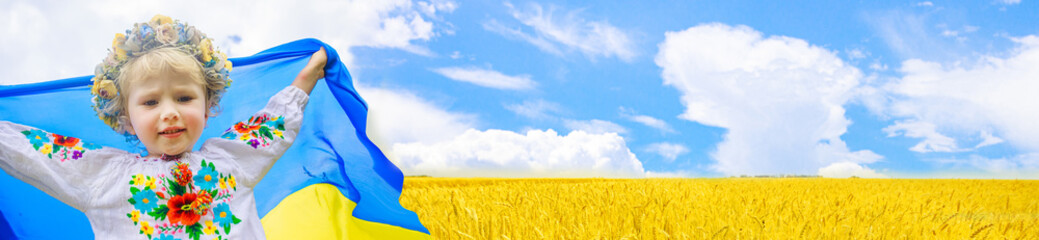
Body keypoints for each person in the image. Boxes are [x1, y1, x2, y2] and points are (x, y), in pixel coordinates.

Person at [0, 14, 326, 239]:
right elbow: (33, 150)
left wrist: (307, 76)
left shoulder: (231, 159)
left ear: (208, 106)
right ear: (126, 119)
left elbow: (273, 124)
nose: (169, 112)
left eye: (184, 97)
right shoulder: (104, 175)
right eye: (151, 102)